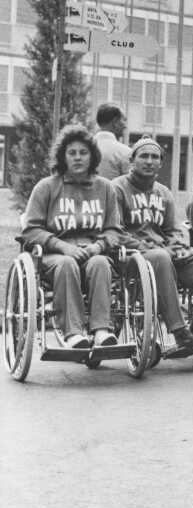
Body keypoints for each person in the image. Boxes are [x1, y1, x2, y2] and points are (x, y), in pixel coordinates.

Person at [113, 138, 193, 349]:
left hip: (165, 255)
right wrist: (152, 248)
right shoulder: (116, 189)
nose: (150, 161)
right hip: (132, 258)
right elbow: (114, 232)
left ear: (161, 163)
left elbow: (175, 228)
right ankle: (179, 330)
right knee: (160, 256)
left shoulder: (163, 192)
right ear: (131, 161)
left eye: (155, 157)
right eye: (144, 156)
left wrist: (178, 245)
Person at [22, 125, 122, 348]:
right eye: (72, 153)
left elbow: (114, 229)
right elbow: (30, 230)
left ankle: (101, 331)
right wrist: (62, 246)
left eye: (83, 153)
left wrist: (98, 246)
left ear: (93, 156)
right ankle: (73, 334)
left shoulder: (105, 188)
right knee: (67, 264)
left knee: (100, 263)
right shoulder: (46, 187)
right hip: (54, 257)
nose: (78, 158)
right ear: (63, 156)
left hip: (91, 252)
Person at [93, 102, 131, 180]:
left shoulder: (83, 149)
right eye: (124, 120)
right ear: (115, 122)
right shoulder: (125, 152)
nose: (125, 125)